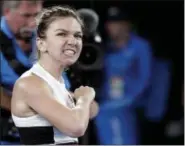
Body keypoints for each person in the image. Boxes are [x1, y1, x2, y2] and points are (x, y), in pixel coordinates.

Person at [11, 5, 99, 145]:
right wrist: (84, 98)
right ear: (41, 44)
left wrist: (83, 100)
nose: (72, 41)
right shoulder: (30, 83)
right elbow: (76, 127)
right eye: (62, 34)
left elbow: (92, 110)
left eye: (77, 35)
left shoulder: (56, 85)